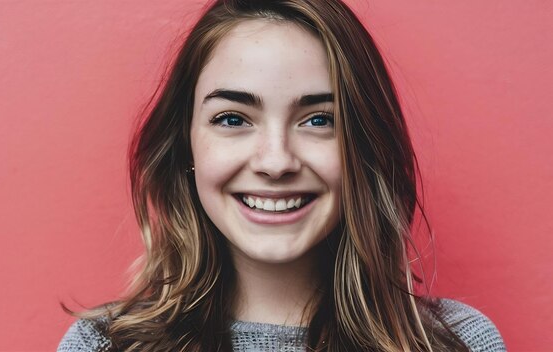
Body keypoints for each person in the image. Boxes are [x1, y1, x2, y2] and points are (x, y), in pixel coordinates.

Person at [58, 0, 506, 351]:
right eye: (233, 119)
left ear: (364, 148)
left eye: (318, 120)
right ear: (185, 146)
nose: (276, 162)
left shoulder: (460, 344)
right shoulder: (101, 346)